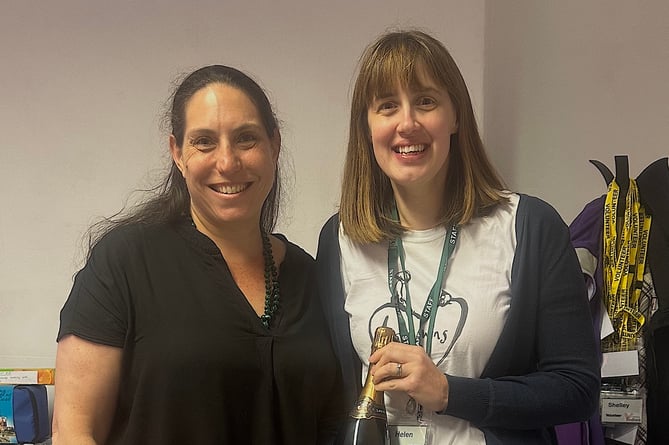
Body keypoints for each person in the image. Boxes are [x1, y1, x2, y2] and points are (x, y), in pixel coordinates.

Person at [316, 30, 600, 444]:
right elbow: (335, 396)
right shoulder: (340, 238)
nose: (407, 123)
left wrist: (451, 393)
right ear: (367, 126)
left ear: (456, 116)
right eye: (387, 106)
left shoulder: (530, 226)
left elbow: (577, 388)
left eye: (425, 101)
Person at [53, 65, 343, 445]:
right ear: (177, 153)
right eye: (204, 141)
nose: (227, 162)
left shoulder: (308, 275)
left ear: (274, 145)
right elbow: (74, 431)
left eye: (246, 139)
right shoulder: (125, 260)